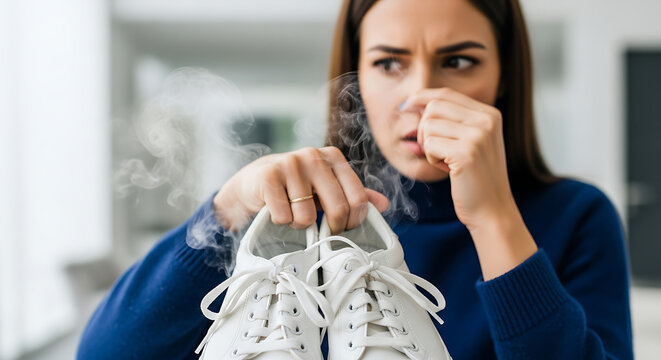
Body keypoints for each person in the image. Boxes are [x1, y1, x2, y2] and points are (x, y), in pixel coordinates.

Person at [76, 0, 634, 359]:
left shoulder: (575, 216)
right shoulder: (300, 213)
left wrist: (493, 219)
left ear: (504, 77)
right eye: (389, 63)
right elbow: (105, 355)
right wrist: (227, 208)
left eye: (459, 61)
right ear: (358, 75)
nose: (420, 95)